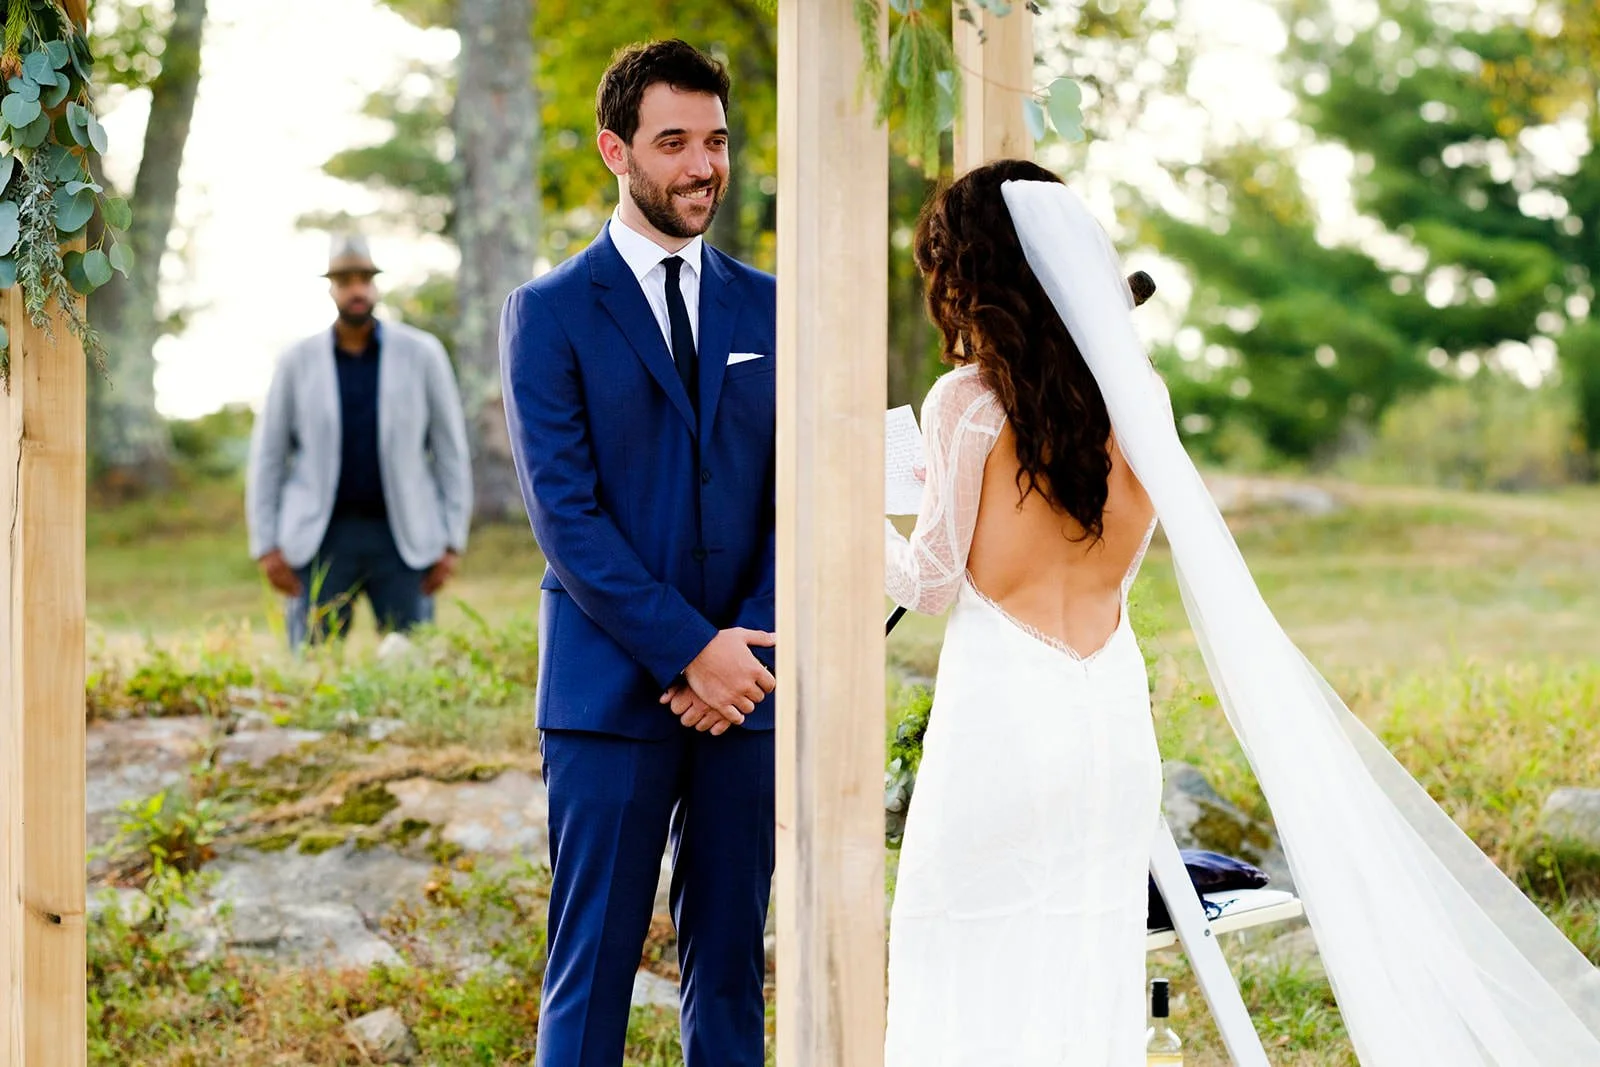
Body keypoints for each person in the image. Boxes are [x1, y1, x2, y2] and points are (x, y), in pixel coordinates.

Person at [884, 159, 1600, 1065]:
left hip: (1003, 724)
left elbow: (935, 579)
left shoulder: (965, 403)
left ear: (976, 277)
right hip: (1106, 722)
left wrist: (855, 515)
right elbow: (1120, 548)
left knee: (966, 938)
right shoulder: (1138, 401)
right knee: (1083, 954)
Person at [498, 40, 777, 1067]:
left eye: (715, 141)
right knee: (592, 968)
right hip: (609, 696)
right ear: (616, 150)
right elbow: (565, 518)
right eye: (674, 143)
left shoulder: (774, 308)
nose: (702, 165)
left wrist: (743, 657)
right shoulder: (549, 312)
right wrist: (686, 649)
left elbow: (805, 498)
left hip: (751, 689)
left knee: (733, 969)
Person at [246, 234, 472, 647]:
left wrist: (452, 540)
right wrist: (266, 544)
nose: (356, 289)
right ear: (331, 287)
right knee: (314, 666)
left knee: (410, 663)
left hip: (405, 535)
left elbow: (450, 453)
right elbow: (269, 457)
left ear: (375, 284)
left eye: (364, 278)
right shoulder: (297, 361)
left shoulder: (422, 354)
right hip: (321, 537)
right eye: (345, 280)